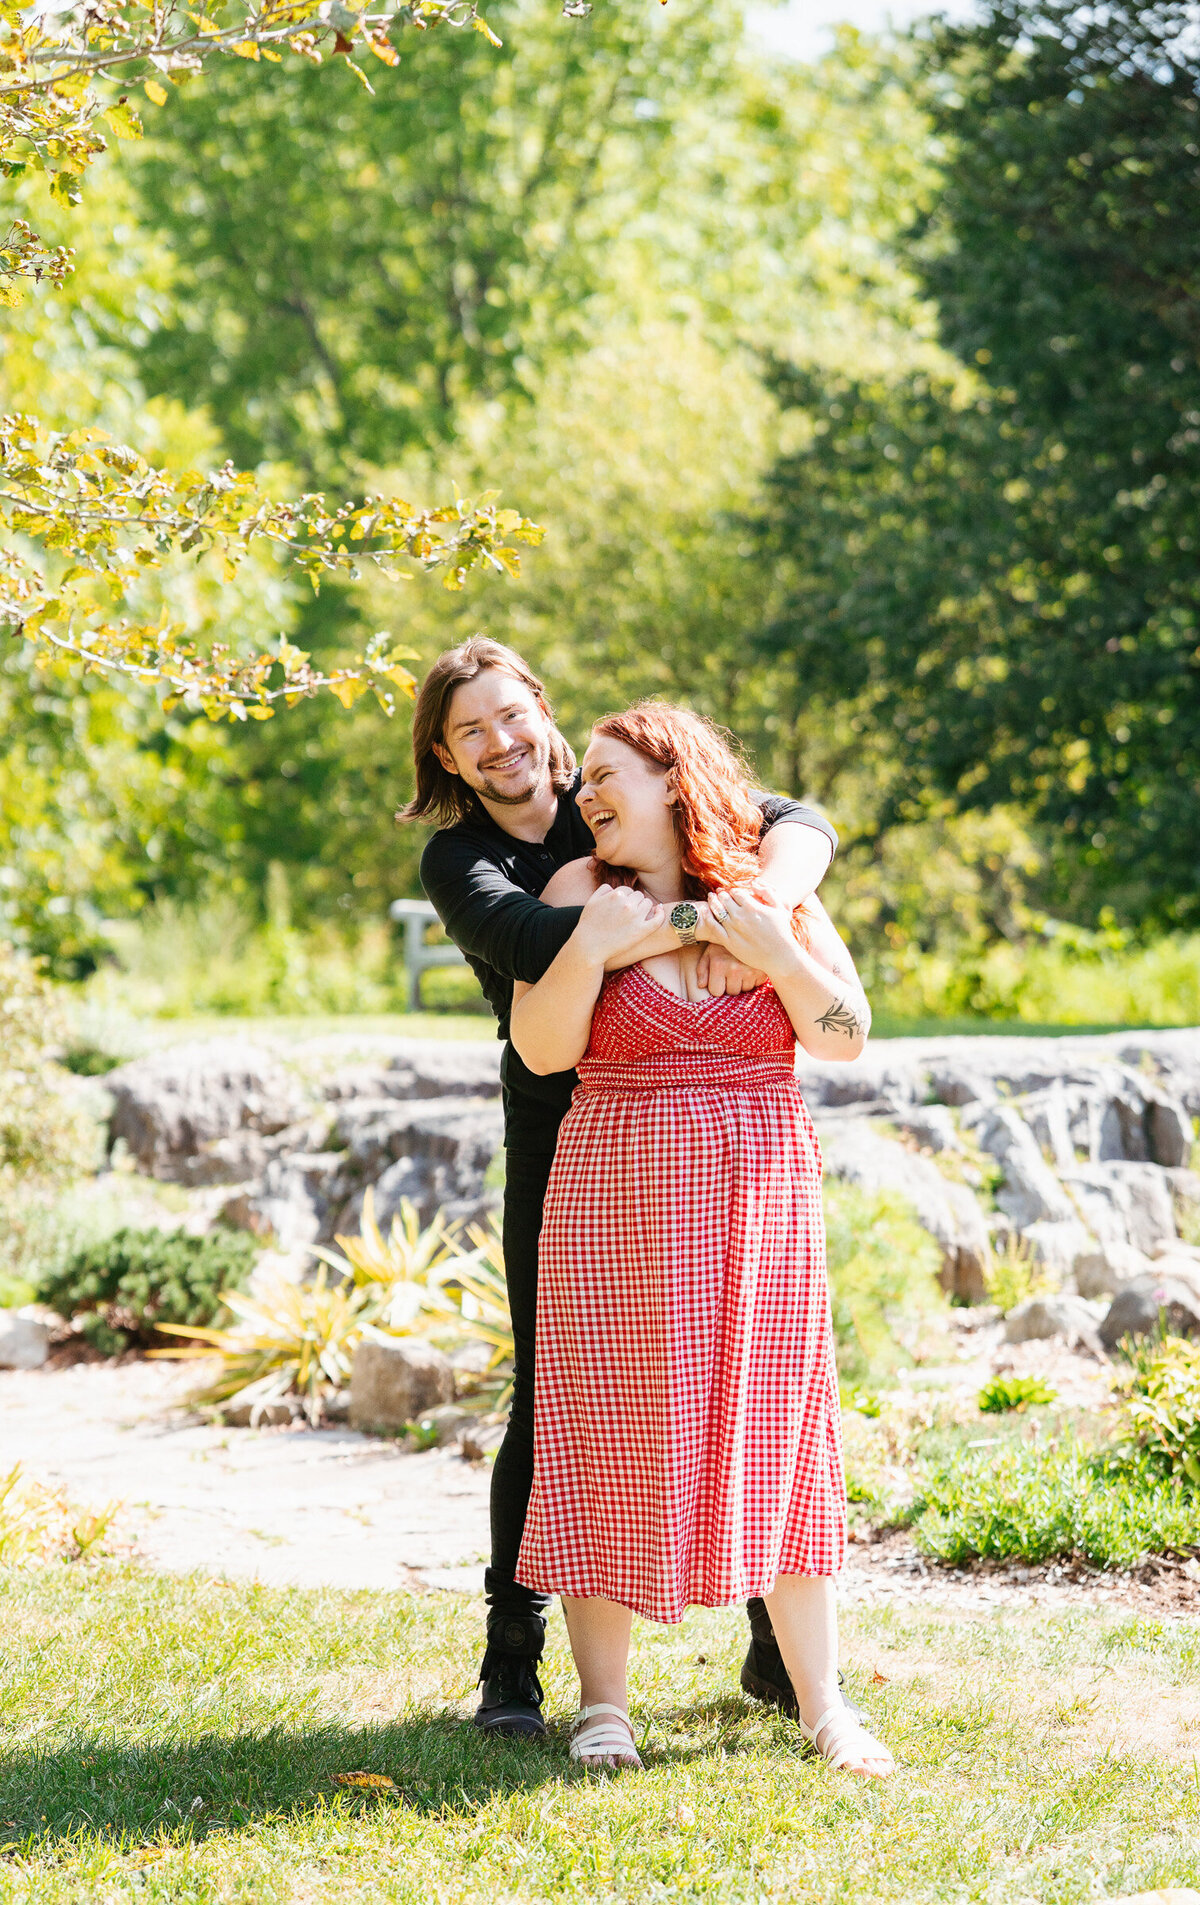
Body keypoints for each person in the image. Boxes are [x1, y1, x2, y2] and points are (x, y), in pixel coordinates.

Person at [404, 638, 838, 1738]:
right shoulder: (466, 862)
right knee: (564, 1389)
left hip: (717, 1111)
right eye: (471, 731)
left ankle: (775, 1650)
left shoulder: (618, 775)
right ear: (447, 757)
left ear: (542, 712)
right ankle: (515, 1659)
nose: (501, 743)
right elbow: (540, 940)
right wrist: (694, 920)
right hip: (566, 1122)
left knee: (732, 1366)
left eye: (511, 715)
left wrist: (770, 907)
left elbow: (788, 823)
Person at [509, 702, 893, 1778]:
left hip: (757, 1199)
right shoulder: (583, 891)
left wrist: (772, 943)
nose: (584, 794)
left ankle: (825, 1708)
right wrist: (604, 944)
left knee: (779, 1430)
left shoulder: (778, 892)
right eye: (581, 778)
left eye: (605, 774)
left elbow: (848, 1037)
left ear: (676, 781)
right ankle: (604, 1710)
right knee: (605, 1425)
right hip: (614, 1201)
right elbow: (543, 1048)